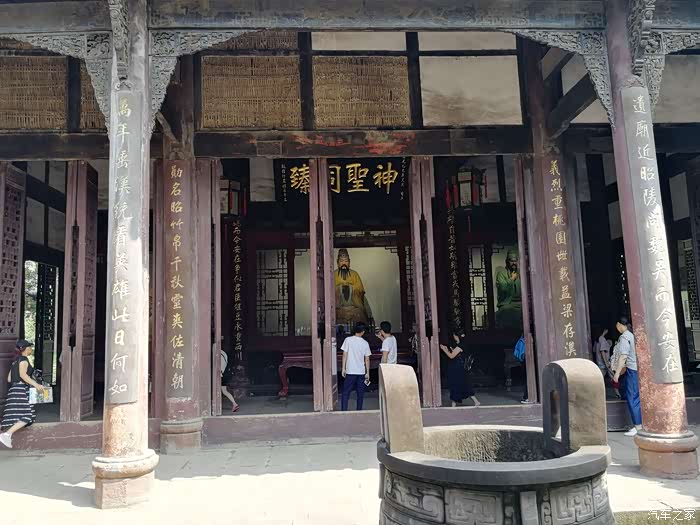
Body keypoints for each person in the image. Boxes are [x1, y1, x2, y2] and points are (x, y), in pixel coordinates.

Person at [1, 340, 45, 449]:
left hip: (14, 390)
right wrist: (36, 385)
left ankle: (6, 434)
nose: (31, 349)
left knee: (16, 415)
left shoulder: (15, 361)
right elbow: (23, 375)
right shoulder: (24, 360)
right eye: (30, 347)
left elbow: (9, 378)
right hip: (20, 390)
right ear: (26, 349)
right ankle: (6, 435)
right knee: (28, 416)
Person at [613, 317, 641, 436]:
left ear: (619, 324)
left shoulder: (625, 337)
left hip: (631, 369)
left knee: (632, 397)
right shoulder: (632, 335)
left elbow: (623, 356)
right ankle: (638, 425)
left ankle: (638, 427)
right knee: (635, 396)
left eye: (617, 325)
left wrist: (617, 373)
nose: (617, 328)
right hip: (636, 369)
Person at [335, 249, 373, 329]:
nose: (344, 263)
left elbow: (360, 290)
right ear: (337, 262)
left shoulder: (354, 274)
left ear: (349, 262)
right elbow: (329, 290)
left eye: (346, 261)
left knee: (360, 314)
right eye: (341, 261)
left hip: (354, 305)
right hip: (339, 306)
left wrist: (351, 288)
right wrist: (339, 288)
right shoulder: (333, 274)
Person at [440, 332, 480, 408]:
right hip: (458, 368)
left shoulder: (460, 346)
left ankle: (455, 404)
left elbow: (451, 356)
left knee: (456, 385)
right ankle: (475, 401)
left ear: (457, 336)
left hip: (457, 368)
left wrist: (444, 349)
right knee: (461, 385)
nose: (454, 337)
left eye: (454, 335)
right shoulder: (461, 345)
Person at [341, 322, 372, 411]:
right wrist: (367, 372)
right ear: (363, 331)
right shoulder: (365, 343)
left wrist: (343, 368)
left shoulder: (348, 340)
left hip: (350, 371)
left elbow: (344, 355)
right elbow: (367, 359)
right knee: (360, 393)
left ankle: (344, 411)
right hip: (361, 372)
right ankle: (359, 410)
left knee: (346, 392)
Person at [494, 249, 523, 331]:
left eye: (515, 261)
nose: (514, 263)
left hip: (520, 302)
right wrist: (511, 279)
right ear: (507, 261)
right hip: (507, 302)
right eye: (511, 261)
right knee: (506, 310)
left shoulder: (521, 272)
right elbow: (503, 288)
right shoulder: (501, 273)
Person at [219, 349, 239, 413]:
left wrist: (221, 372)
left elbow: (221, 365)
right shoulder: (224, 354)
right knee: (224, 391)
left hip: (221, 374)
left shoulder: (219, 354)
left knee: (221, 390)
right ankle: (234, 404)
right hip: (224, 374)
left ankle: (234, 404)